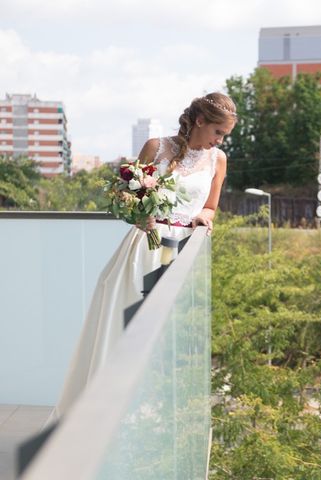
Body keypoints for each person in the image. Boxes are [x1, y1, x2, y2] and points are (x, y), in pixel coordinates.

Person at [50, 92, 237, 420]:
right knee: (126, 326)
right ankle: (106, 412)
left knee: (162, 333)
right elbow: (126, 196)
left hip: (179, 250)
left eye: (224, 136)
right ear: (200, 120)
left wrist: (206, 217)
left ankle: (151, 416)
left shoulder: (218, 159)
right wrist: (137, 215)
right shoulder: (156, 147)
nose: (219, 141)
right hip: (143, 248)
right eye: (218, 133)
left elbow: (210, 206)